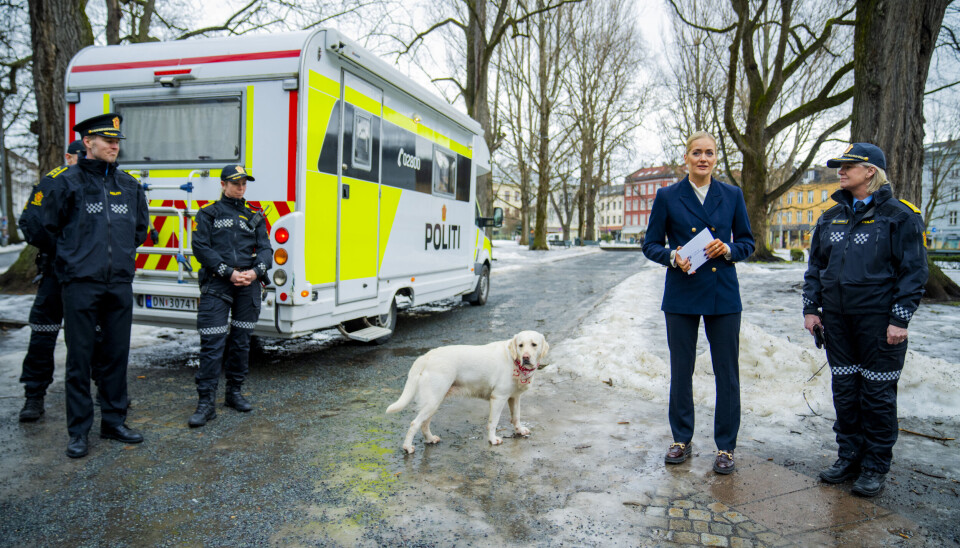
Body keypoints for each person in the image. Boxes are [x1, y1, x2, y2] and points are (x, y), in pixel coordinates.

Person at [802, 143, 928, 497]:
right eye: (839, 166)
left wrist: (900, 319)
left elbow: (914, 272)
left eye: (848, 166)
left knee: (877, 396)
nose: (840, 171)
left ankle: (874, 465)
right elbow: (816, 267)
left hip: (879, 324)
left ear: (870, 171)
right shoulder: (830, 217)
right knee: (845, 392)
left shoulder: (900, 216)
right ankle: (849, 457)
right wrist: (811, 309)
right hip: (838, 323)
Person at [642, 131, 755, 474]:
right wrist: (672, 256)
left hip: (723, 293)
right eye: (696, 153)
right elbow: (650, 244)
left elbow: (748, 242)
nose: (703, 158)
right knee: (681, 370)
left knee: (727, 372)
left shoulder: (732, 195)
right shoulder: (667, 196)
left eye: (709, 153)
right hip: (682, 292)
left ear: (716, 158)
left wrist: (729, 249)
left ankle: (726, 447)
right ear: (686, 159)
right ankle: (681, 439)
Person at [43, 114, 149, 458]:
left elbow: (139, 229)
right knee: (79, 359)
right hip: (80, 284)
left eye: (117, 141)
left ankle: (114, 422)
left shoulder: (129, 185)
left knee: (116, 356)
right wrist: (74, 259)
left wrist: (120, 259)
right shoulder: (66, 182)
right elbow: (47, 228)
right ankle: (78, 431)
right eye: (108, 141)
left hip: (118, 283)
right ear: (88, 142)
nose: (114, 146)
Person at [188, 164, 272, 427]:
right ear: (223, 184)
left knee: (241, 342)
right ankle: (206, 404)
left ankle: (234, 393)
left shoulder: (254, 215)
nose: (241, 187)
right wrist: (228, 272)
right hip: (217, 284)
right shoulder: (208, 214)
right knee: (212, 343)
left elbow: (266, 250)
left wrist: (255, 272)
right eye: (236, 183)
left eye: (244, 183)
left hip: (248, 285)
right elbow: (201, 248)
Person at [17, 140, 86, 422]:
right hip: (56, 271)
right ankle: (34, 395)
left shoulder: (100, 181)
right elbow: (31, 225)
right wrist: (64, 251)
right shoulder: (53, 182)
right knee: (43, 333)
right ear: (69, 157)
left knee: (95, 335)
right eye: (81, 156)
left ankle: (107, 392)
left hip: (88, 275)